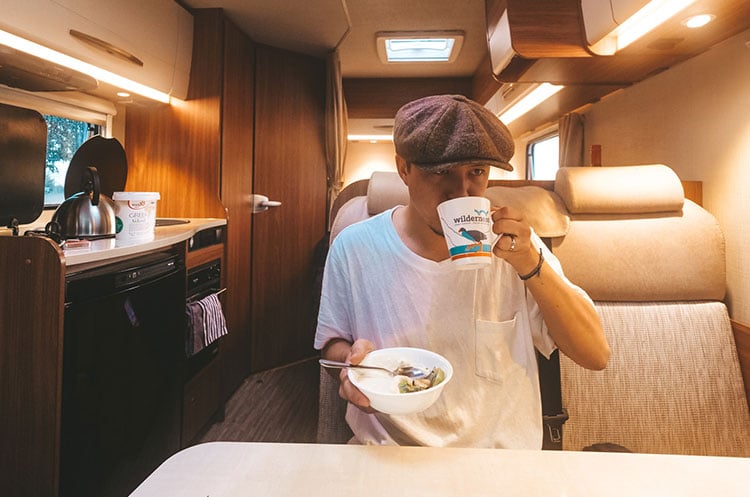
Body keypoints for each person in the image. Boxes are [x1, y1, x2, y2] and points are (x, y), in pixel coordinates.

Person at [314, 94, 610, 448]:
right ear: (404, 169)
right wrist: (350, 363)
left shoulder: (516, 247)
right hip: (389, 454)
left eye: (476, 172)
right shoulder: (354, 246)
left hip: (498, 462)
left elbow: (595, 354)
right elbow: (331, 344)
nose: (460, 192)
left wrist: (530, 263)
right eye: (440, 172)